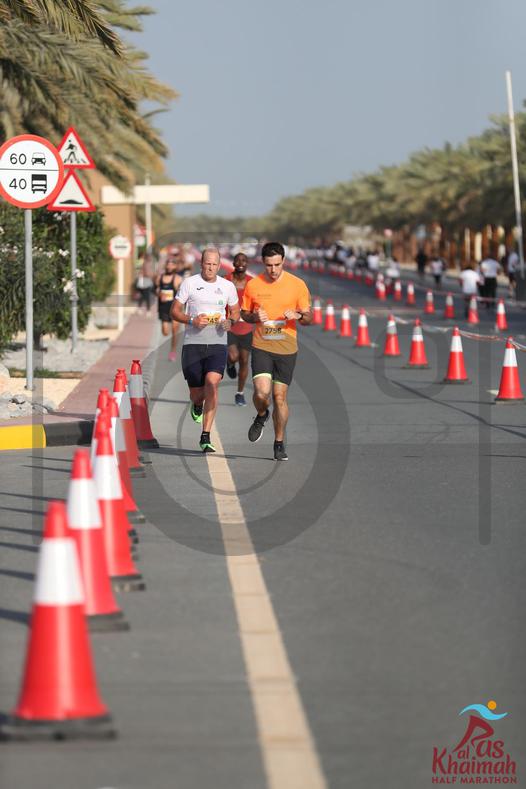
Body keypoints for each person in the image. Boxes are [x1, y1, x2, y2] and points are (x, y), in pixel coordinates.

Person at [241, 241, 312, 462]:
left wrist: (298, 316)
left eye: (277, 265)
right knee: (261, 394)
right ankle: (262, 414)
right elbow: (244, 313)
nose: (273, 270)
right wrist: (254, 317)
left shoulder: (297, 285)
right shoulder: (254, 285)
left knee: (279, 398)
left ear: (283, 261)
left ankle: (279, 443)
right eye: (269, 265)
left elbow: (308, 318)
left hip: (287, 348)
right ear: (263, 263)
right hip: (262, 346)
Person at [171, 248, 240, 453]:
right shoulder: (189, 283)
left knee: (212, 383)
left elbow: (235, 311)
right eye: (207, 264)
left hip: (217, 344)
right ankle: (197, 404)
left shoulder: (227, 286)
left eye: (214, 264)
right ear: (201, 264)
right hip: (193, 345)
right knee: (197, 394)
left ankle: (205, 436)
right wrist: (192, 320)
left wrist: (230, 321)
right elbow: (174, 311)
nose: (210, 268)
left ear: (219, 266)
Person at [225, 253, 254, 406]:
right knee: (234, 355)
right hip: (230, 326)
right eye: (238, 260)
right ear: (234, 263)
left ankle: (240, 393)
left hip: (246, 328)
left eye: (244, 260)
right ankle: (230, 363)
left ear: (247, 263)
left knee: (244, 360)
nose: (241, 263)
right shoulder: (226, 280)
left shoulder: (252, 283)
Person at [156, 256, 184, 361]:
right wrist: (159, 294)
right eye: (168, 264)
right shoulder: (160, 278)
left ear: (175, 266)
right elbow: (155, 289)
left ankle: (173, 350)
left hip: (175, 309)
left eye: (172, 264)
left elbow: (183, 294)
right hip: (163, 308)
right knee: (165, 332)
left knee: (174, 330)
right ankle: (172, 349)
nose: (169, 266)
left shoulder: (178, 279)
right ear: (166, 265)